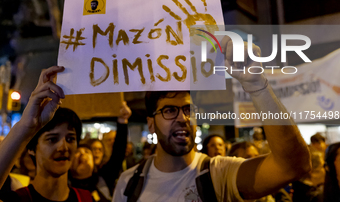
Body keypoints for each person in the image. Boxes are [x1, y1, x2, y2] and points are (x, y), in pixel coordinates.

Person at [112, 39, 311, 201]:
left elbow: (293, 166)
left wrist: (257, 85)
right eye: (170, 110)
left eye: (189, 109)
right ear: (151, 124)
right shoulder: (128, 183)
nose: (183, 118)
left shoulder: (219, 173)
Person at [0, 66, 92, 201]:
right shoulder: (18, 199)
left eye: (70, 138)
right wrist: (26, 126)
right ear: (32, 149)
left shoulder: (85, 198)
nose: (63, 147)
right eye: (52, 139)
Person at [70, 102, 131, 201]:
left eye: (86, 151)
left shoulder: (103, 178)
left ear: (93, 162)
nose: (82, 154)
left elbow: (118, 153)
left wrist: (122, 121)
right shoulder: (63, 186)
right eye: (77, 152)